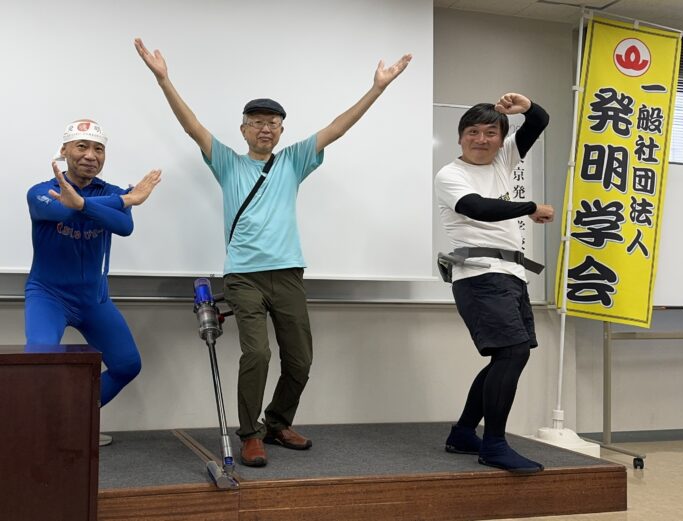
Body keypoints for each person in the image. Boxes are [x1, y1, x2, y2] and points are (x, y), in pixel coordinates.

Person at [134, 38, 411, 467]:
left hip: (288, 274)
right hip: (243, 276)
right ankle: (250, 434)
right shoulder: (227, 162)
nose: (266, 128)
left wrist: (377, 88)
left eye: (273, 123)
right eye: (257, 122)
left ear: (281, 131)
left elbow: (338, 127)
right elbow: (192, 126)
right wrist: (164, 80)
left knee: (300, 358)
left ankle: (277, 423)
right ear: (244, 129)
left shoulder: (294, 160)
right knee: (258, 354)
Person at [434, 93, 554, 473]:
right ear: (459, 137)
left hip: (511, 274)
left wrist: (526, 106)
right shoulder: (450, 175)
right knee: (513, 353)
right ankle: (494, 445)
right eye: (472, 132)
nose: (481, 139)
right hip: (479, 275)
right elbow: (477, 208)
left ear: (502, 140)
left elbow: (539, 121)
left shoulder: (504, 159)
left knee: (510, 354)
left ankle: (464, 433)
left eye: (490, 133)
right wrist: (530, 207)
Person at [25, 119, 161, 446]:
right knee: (39, 365)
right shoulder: (41, 192)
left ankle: (75, 420)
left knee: (127, 365)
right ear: (64, 151)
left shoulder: (110, 191)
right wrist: (127, 199)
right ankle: (39, 437)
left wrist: (90, 204)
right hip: (49, 296)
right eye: (82, 146)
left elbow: (124, 227)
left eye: (98, 149)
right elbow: (63, 212)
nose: (90, 155)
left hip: (93, 300)